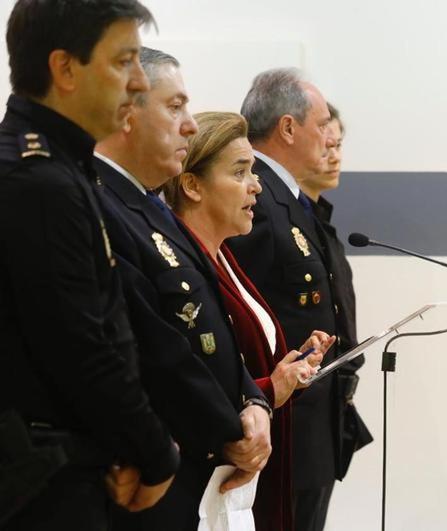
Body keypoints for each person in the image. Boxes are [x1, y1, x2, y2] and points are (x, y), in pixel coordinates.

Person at [0, 2, 179, 530]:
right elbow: (81, 346)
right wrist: (154, 452)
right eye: (124, 61)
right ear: (65, 68)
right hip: (42, 482)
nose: (139, 81)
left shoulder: (59, 169)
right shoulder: (36, 182)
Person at [93, 48, 275, 530]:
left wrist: (253, 403)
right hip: (154, 467)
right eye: (175, 108)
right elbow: (156, 346)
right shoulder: (99, 204)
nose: (189, 125)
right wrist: (228, 429)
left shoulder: (149, 206)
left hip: (199, 467)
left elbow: (215, 328)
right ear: (127, 112)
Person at [163, 111, 335, 531]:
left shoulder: (225, 256)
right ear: (192, 185)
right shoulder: (180, 265)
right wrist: (269, 389)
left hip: (248, 476)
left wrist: (287, 371)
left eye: (254, 172)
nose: (256, 186)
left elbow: (240, 366)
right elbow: (184, 385)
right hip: (206, 484)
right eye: (240, 173)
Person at [226, 67, 360, 531]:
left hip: (314, 427)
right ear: (287, 127)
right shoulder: (261, 200)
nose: (329, 138)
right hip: (283, 427)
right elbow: (243, 321)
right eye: (322, 124)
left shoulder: (295, 201)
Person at [297, 103, 372, 483]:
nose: (333, 156)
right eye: (325, 145)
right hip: (300, 403)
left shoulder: (322, 224)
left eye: (338, 145)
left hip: (332, 400)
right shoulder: (278, 218)